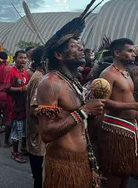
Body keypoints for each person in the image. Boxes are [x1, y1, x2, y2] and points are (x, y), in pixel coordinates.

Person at [36, 16, 104, 187]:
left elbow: (81, 125)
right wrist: (84, 111)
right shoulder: (50, 83)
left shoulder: (72, 82)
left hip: (82, 160)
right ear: (58, 54)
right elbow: (46, 134)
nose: (81, 48)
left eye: (79, 45)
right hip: (63, 164)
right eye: (74, 46)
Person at [99, 38, 138, 188]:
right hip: (115, 129)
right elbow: (103, 102)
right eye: (129, 51)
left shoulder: (126, 73)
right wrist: (133, 106)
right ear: (117, 52)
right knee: (114, 173)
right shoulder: (108, 74)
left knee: (126, 172)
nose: (133, 54)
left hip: (129, 128)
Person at [26, 46, 46, 188]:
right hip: (39, 137)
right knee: (40, 178)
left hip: (39, 136)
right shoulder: (40, 79)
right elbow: (34, 111)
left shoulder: (41, 76)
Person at [5, 50, 29, 163]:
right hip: (15, 107)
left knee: (23, 130)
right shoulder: (11, 71)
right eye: (20, 58)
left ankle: (22, 149)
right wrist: (21, 89)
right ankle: (15, 153)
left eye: (25, 58)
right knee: (16, 130)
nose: (23, 60)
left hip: (24, 107)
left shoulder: (25, 72)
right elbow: (7, 88)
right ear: (15, 59)